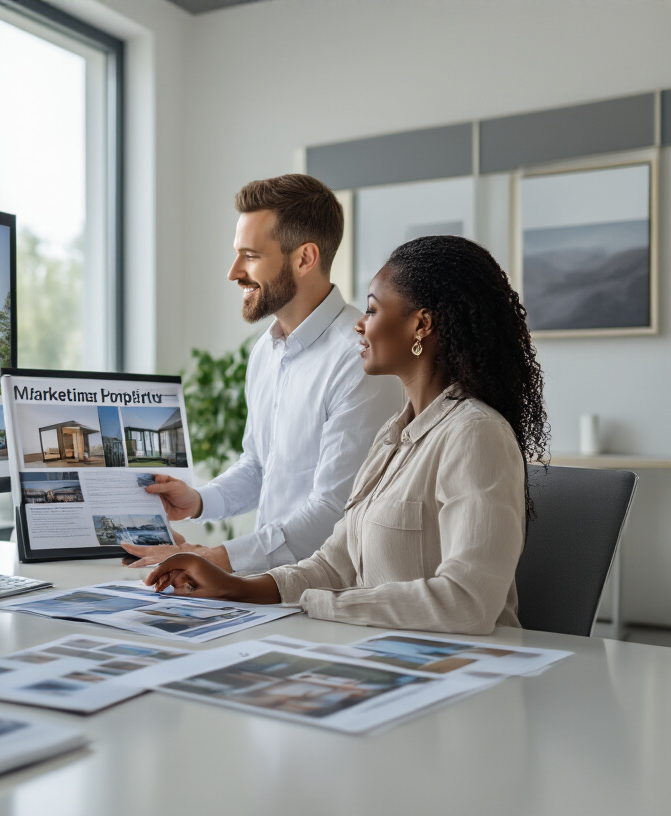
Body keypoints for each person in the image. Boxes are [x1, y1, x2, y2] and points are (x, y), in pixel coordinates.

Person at [144, 235, 550, 636]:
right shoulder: (392, 437)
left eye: (372, 310)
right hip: (386, 655)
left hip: (466, 674)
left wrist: (316, 604)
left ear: (421, 325)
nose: (359, 323)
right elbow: (331, 566)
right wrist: (234, 586)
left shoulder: (475, 436)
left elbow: (467, 603)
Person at [122, 174, 402, 574]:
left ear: (305, 258)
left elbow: (334, 510)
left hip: (334, 595)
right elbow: (258, 466)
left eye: (250, 255)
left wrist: (214, 558)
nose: (233, 272)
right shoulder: (266, 351)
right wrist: (199, 500)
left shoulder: (359, 357)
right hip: (268, 588)